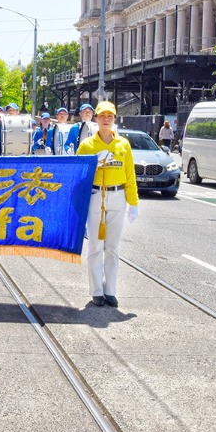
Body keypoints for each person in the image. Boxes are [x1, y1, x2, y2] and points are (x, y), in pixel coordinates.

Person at [77, 101, 139, 308]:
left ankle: (110, 290)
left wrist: (133, 203)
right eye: (102, 116)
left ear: (114, 119)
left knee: (112, 247)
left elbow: (130, 175)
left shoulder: (123, 144)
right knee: (95, 246)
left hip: (117, 196)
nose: (106, 119)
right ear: (95, 118)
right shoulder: (87, 145)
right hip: (96, 196)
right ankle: (96, 291)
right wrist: (94, 162)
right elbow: (79, 175)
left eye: (109, 116)